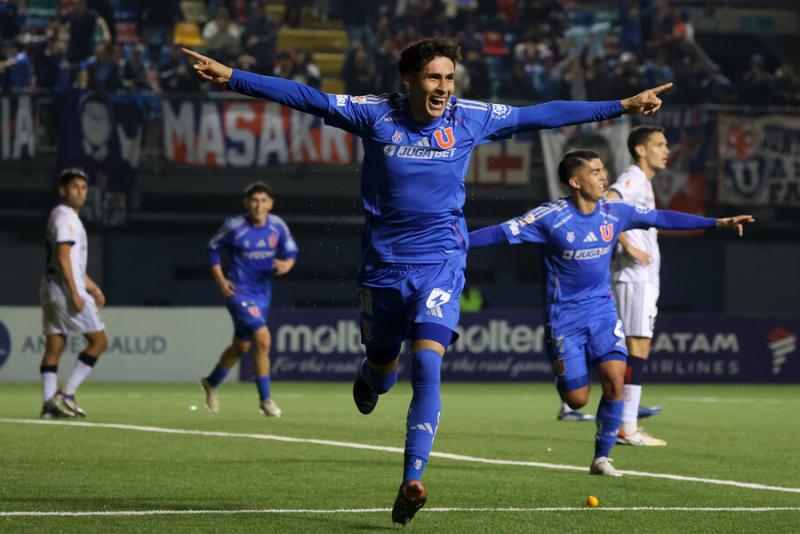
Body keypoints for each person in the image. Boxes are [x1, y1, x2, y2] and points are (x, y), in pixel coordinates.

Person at [182, 38, 672, 525]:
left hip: (441, 264)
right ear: (409, 80)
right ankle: (371, 376)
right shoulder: (375, 114)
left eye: (450, 78)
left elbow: (542, 114)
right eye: (434, 77)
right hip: (383, 270)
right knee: (382, 369)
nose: (444, 87)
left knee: (428, 364)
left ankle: (411, 480)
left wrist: (620, 105)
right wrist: (232, 77)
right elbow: (305, 96)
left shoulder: (469, 117)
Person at [468, 150, 753, 476]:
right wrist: (455, 242)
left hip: (603, 312)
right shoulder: (551, 217)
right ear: (575, 181)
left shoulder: (614, 212)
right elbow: (500, 233)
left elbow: (661, 218)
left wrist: (717, 223)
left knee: (616, 380)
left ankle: (601, 457)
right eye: (595, 171)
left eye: (603, 169)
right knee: (576, 400)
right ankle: (570, 386)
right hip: (564, 320)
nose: (604, 176)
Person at [201, 182, 297, 418]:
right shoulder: (235, 226)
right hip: (238, 292)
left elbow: (291, 252)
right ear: (246, 203)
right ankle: (266, 400)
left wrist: (286, 265)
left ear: (271, 204)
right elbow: (212, 248)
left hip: (262, 295)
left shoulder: (277, 226)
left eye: (263, 201)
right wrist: (221, 280)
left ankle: (211, 382)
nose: (258, 205)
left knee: (241, 347)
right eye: (254, 200)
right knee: (263, 338)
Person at [607, 126, 669, 446]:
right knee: (636, 347)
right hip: (634, 277)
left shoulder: (644, 182)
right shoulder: (632, 177)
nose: (666, 150)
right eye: (659, 144)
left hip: (642, 278)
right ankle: (626, 427)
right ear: (641, 150)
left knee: (638, 347)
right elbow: (607, 204)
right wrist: (628, 245)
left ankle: (625, 423)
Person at [39, 168, 109, 419]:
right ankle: (67, 393)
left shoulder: (58, 215)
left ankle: (49, 405)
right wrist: (75, 292)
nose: (80, 191)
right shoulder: (67, 217)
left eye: (83, 187)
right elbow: (64, 257)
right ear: (63, 190)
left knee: (55, 345)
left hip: (50, 288)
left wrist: (93, 287)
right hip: (65, 290)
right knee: (99, 341)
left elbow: (73, 265)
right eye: (74, 187)